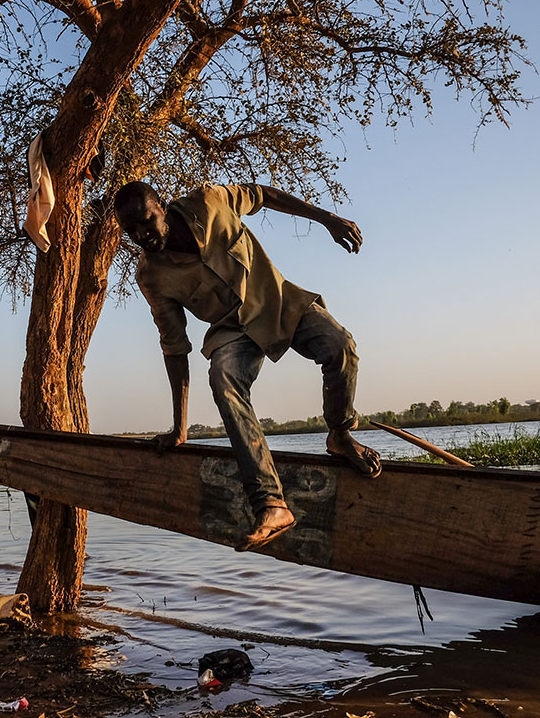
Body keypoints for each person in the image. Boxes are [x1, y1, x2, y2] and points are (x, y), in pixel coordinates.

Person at [113, 180, 380, 552]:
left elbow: (265, 195)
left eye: (146, 221)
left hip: (277, 302)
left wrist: (327, 219)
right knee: (222, 377)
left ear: (161, 204)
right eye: (131, 231)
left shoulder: (209, 201)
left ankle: (340, 435)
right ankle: (271, 504)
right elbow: (174, 348)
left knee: (340, 346)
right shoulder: (151, 276)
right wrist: (180, 427)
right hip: (232, 332)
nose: (142, 235)